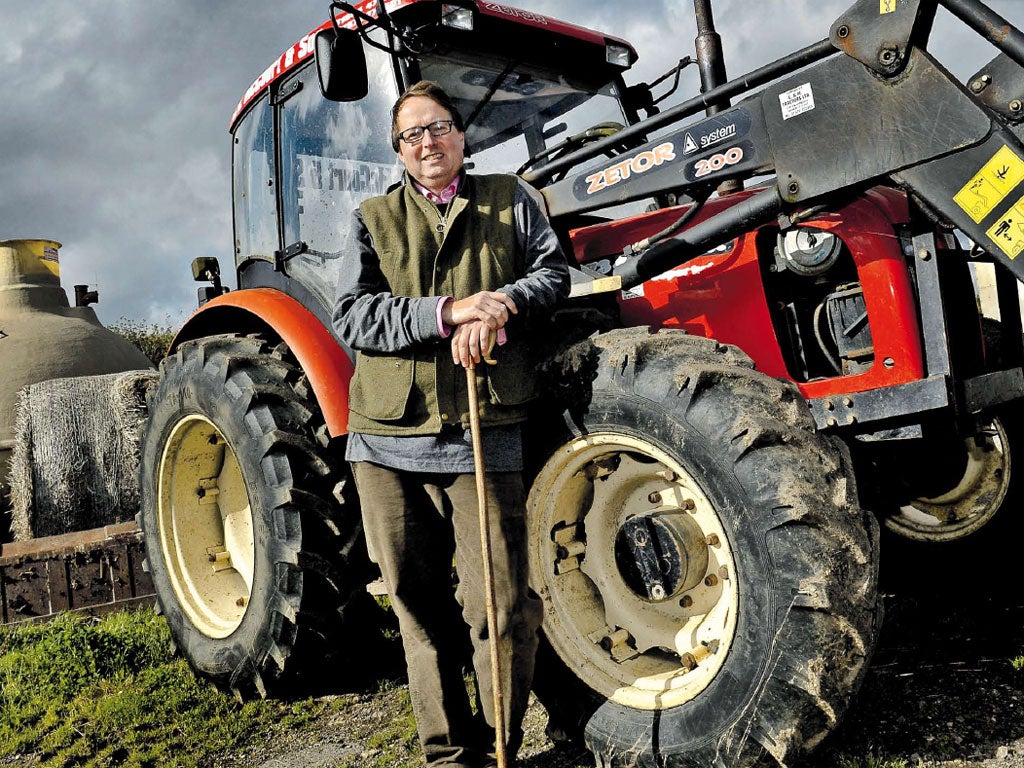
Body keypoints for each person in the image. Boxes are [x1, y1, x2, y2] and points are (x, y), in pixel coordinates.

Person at [332, 80, 570, 768]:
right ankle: (447, 755)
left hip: (481, 425)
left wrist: (497, 304)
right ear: (399, 152)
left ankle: (503, 746)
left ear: (462, 137)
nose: (427, 143)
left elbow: (553, 275)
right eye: (412, 135)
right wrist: (445, 313)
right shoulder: (371, 216)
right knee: (417, 605)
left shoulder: (512, 200)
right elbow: (353, 314)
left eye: (438, 128)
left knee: (501, 605)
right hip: (385, 440)